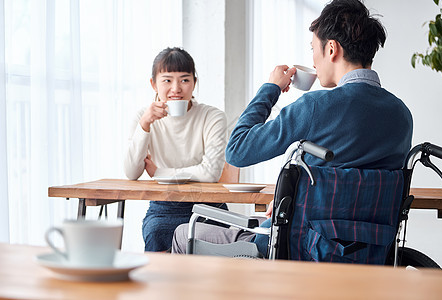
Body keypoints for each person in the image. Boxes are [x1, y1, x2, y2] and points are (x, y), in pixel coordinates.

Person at [171, 0, 413, 256]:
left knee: (181, 234)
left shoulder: (316, 106)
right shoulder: (402, 115)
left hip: (297, 253)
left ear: (331, 49)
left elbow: (237, 150)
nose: (313, 60)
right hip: (369, 257)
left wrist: (271, 89)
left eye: (313, 49)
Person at [124, 47, 228, 252]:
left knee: (211, 237)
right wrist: (145, 125)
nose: (176, 88)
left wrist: (159, 173)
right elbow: (131, 173)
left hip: (209, 208)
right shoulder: (142, 118)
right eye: (167, 80)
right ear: (153, 84)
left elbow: (211, 173)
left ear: (194, 83)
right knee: (156, 232)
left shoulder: (213, 117)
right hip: (163, 206)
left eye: (184, 80)